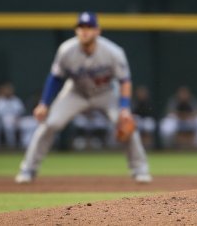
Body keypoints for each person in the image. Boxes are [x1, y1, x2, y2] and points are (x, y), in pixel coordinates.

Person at [14, 11, 152, 183]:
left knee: (126, 122)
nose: (85, 31)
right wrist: (44, 103)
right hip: (75, 92)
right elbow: (55, 78)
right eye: (81, 27)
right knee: (50, 124)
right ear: (76, 30)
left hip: (106, 93)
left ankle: (140, 170)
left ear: (98, 30)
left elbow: (125, 81)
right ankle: (28, 169)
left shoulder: (113, 51)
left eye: (89, 27)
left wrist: (124, 108)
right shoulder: (66, 50)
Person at [0, 81, 25, 149]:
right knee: (6, 123)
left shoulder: (16, 100)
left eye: (9, 90)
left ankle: (23, 144)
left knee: (29, 124)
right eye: (6, 90)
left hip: (16, 120)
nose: (8, 91)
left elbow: (21, 111)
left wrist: (17, 118)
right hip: (0, 121)